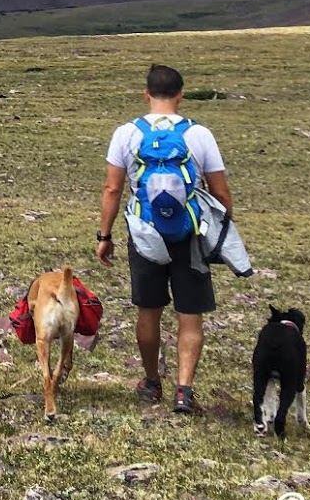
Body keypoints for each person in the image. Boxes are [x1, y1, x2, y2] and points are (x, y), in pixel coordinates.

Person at [96, 64, 234, 415]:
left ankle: (152, 381)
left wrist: (105, 234)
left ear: (146, 94)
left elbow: (113, 188)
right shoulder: (199, 135)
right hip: (189, 235)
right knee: (190, 315)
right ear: (181, 95)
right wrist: (222, 233)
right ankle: (184, 391)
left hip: (144, 233)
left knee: (149, 309)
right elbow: (219, 191)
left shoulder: (127, 133)